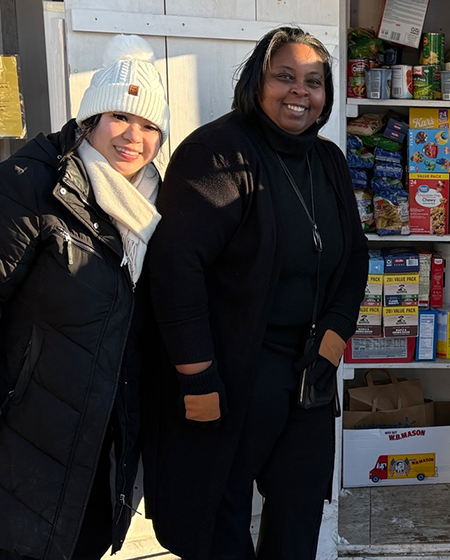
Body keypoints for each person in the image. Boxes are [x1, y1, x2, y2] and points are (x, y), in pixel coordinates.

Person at [143, 26, 368, 560]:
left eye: (313, 81)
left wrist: (334, 338)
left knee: (298, 509)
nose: (300, 92)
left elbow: (354, 256)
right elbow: (177, 268)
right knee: (216, 518)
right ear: (256, 83)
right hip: (232, 368)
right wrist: (195, 374)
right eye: (283, 76)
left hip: (309, 370)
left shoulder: (328, 161)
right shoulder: (219, 152)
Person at [0, 35, 169, 560]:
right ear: (90, 120)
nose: (132, 136)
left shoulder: (158, 208)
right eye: (119, 116)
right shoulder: (32, 185)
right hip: (26, 438)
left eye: (147, 125)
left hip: (104, 443)